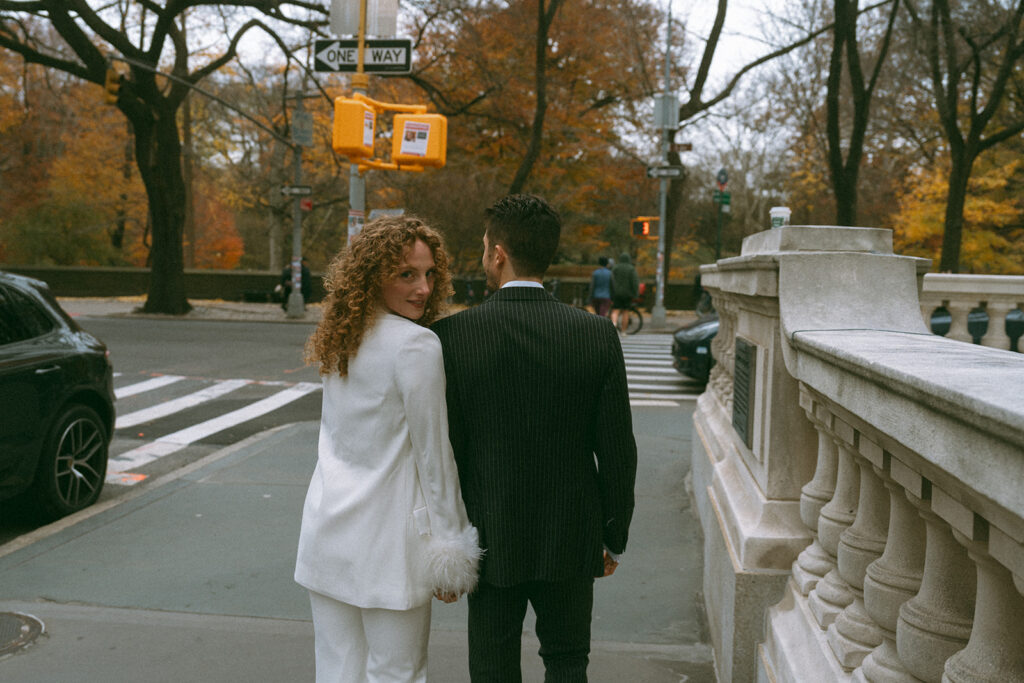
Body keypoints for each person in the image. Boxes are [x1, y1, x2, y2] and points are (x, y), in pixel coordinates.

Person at [432, 194, 637, 682]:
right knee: (568, 661)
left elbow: (445, 452)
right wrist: (612, 534)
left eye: (485, 247)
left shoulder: (453, 337)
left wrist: (447, 538)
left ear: (498, 253)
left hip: (490, 531)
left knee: (492, 665)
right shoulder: (595, 335)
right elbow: (617, 450)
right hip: (571, 532)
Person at [295, 216, 481, 683]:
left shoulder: (341, 335)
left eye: (430, 274)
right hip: (390, 542)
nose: (423, 287)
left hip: (327, 527)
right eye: (407, 274)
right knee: (397, 674)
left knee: (336, 670)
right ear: (374, 276)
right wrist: (451, 546)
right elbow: (434, 457)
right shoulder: (416, 344)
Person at [610, 252, 640, 334]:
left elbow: (611, 280)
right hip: (627, 294)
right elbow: (635, 282)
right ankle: (623, 331)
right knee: (625, 312)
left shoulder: (615, 268)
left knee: (615, 310)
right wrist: (635, 294)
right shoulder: (631, 269)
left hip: (616, 293)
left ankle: (614, 326)